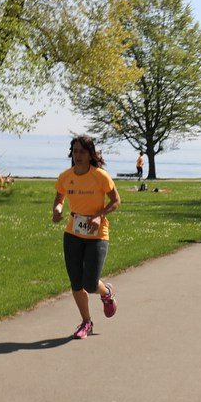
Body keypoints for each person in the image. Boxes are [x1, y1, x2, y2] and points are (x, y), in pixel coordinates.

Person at [53, 135, 120, 340]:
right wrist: (57, 209)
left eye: (82, 151)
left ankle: (106, 292)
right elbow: (59, 198)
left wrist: (100, 216)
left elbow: (116, 200)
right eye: (75, 152)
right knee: (76, 282)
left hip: (98, 234)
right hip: (73, 233)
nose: (78, 155)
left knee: (90, 283)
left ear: (90, 154)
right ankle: (86, 322)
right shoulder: (65, 176)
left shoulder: (100, 176)